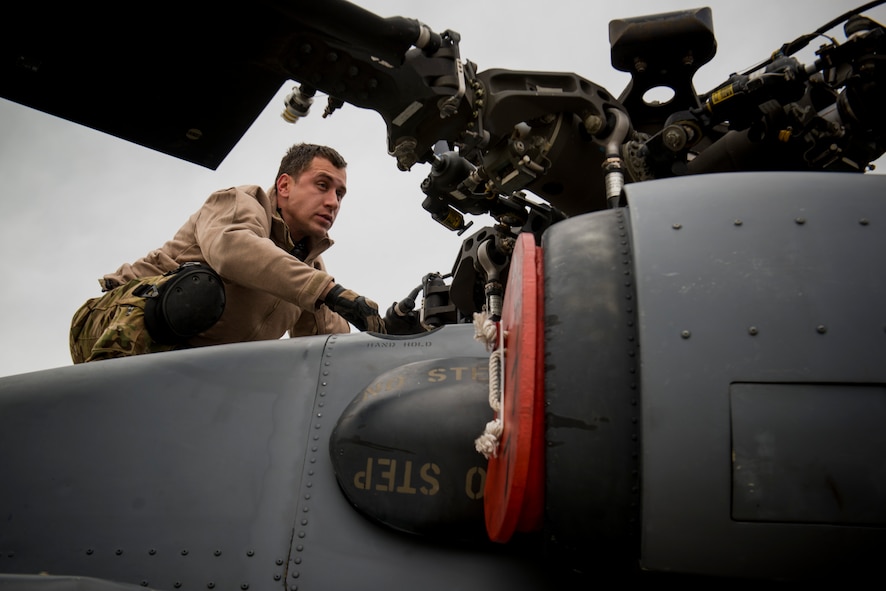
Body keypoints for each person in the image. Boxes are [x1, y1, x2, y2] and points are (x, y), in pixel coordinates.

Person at [70, 143, 386, 363]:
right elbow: (232, 249)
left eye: (340, 193)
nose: (333, 201)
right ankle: (107, 399)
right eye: (322, 185)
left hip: (188, 372)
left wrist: (387, 335)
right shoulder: (240, 203)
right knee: (199, 289)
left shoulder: (310, 272)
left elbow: (328, 343)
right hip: (107, 324)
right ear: (285, 186)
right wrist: (330, 291)